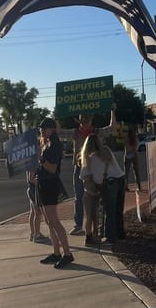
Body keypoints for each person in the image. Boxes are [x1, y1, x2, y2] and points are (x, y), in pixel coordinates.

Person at [58, 106, 117, 235]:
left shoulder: (96, 132)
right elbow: (59, 132)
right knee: (79, 197)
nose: (85, 123)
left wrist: (112, 110)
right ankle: (78, 224)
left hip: (96, 168)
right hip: (80, 168)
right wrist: (57, 116)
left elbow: (112, 128)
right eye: (83, 121)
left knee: (99, 197)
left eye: (87, 121)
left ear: (90, 121)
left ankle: (99, 225)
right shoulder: (75, 133)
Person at [36, 117, 75, 269]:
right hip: (43, 183)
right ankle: (56, 253)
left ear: (51, 129)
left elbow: (52, 168)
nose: (41, 130)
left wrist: (40, 159)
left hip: (50, 184)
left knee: (55, 221)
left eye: (44, 128)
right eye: (41, 128)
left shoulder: (55, 146)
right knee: (49, 221)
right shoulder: (46, 144)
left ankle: (67, 254)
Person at [79, 133, 126, 243]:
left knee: (110, 211)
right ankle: (120, 233)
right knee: (118, 210)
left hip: (109, 183)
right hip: (120, 179)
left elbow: (84, 179)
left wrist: (93, 192)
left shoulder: (89, 159)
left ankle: (110, 236)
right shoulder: (107, 151)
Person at [26, 165, 49, 244]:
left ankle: (33, 233)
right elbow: (31, 178)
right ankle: (37, 234)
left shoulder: (30, 162)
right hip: (34, 190)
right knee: (38, 213)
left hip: (31, 189)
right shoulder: (33, 163)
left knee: (33, 212)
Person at [123, 127, 141, 191]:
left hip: (127, 155)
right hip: (134, 155)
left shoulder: (126, 137)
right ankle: (139, 186)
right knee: (136, 171)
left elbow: (126, 146)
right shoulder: (135, 138)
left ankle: (125, 187)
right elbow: (137, 147)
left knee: (126, 173)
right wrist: (134, 150)